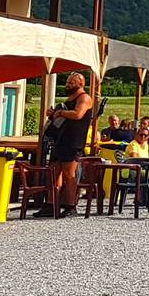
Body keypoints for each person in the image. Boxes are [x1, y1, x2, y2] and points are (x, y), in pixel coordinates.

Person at [45, 72, 96, 218]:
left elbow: (78, 114)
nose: (68, 85)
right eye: (67, 82)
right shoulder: (69, 99)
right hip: (60, 140)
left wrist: (60, 112)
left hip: (73, 141)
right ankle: (51, 204)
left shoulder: (84, 98)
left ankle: (70, 205)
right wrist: (53, 113)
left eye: (71, 83)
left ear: (81, 84)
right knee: (54, 172)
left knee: (69, 174)